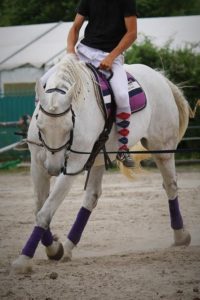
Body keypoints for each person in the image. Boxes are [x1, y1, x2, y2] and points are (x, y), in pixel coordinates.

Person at [67, 0, 137, 167]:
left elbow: (132, 33)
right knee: (46, 81)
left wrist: (111, 57)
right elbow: (76, 27)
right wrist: (70, 51)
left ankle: (123, 148)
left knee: (121, 96)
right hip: (83, 52)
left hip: (110, 57)